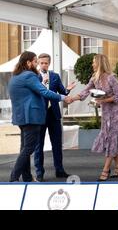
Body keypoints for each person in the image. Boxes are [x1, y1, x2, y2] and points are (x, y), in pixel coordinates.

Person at [8, 51, 71, 182]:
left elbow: (30, 93)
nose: (37, 65)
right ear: (28, 63)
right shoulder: (29, 76)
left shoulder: (15, 76)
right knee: (30, 148)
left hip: (22, 117)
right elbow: (44, 92)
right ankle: (13, 178)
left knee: (25, 148)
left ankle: (26, 177)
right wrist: (64, 97)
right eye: (36, 61)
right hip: (32, 117)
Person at [70, 54, 118, 181]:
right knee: (110, 139)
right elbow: (85, 91)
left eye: (94, 62)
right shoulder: (95, 78)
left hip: (115, 113)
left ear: (100, 63)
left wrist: (102, 100)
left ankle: (105, 170)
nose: (92, 64)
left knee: (111, 139)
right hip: (106, 112)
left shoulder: (112, 78)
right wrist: (72, 98)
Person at [34, 53, 76, 182]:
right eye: (42, 63)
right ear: (38, 63)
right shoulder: (34, 77)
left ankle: (59, 170)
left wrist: (68, 90)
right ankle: (39, 172)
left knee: (57, 143)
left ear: (49, 63)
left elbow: (62, 92)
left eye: (46, 63)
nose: (44, 65)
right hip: (39, 114)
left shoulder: (55, 76)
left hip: (54, 113)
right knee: (38, 145)